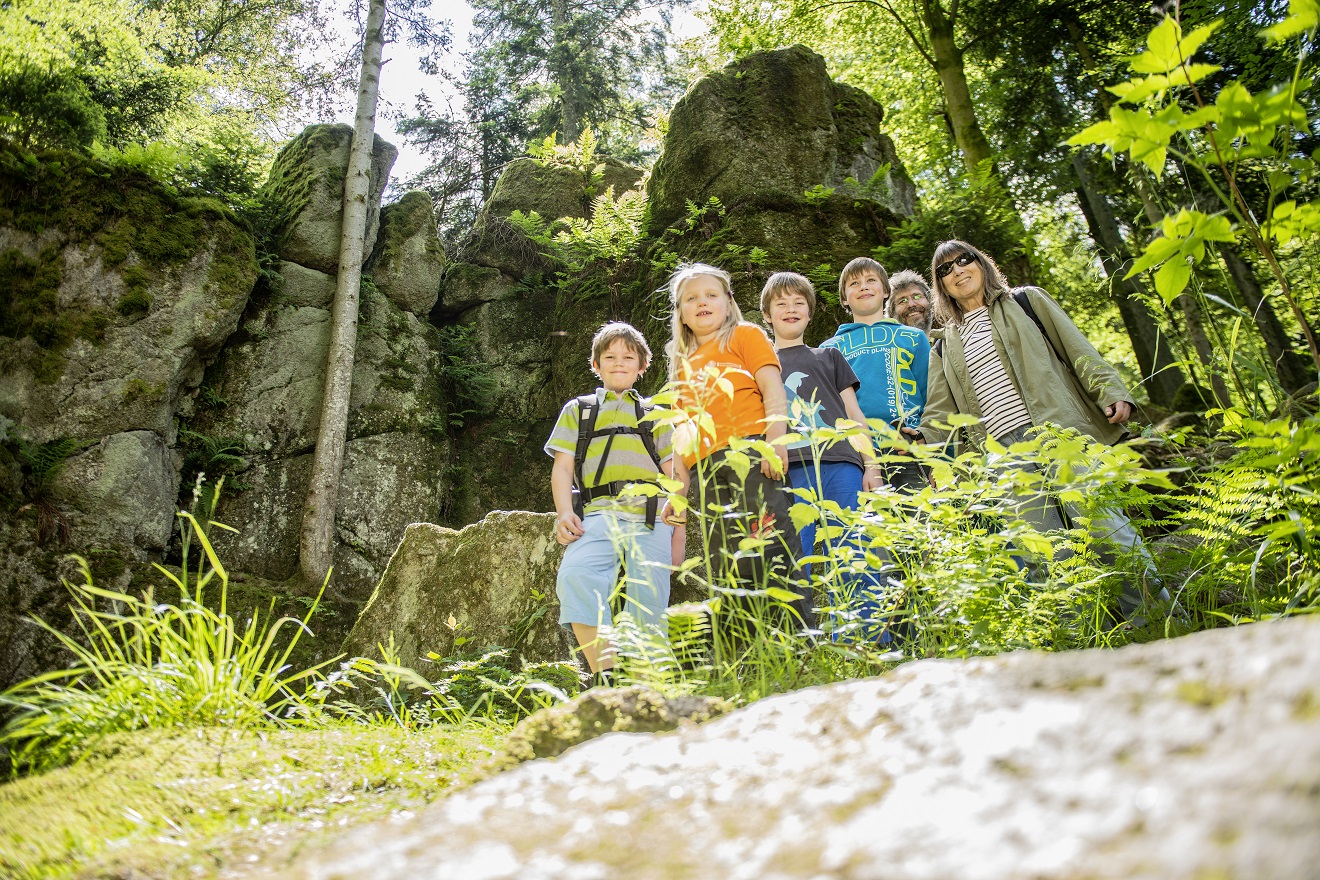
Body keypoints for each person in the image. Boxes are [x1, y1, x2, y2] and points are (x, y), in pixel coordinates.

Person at [917, 239, 1167, 620]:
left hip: (1059, 433)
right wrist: (930, 450)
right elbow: (939, 413)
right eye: (945, 270)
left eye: (964, 260)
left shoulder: (1025, 302)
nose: (957, 271)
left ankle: (1159, 621)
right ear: (941, 286)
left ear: (981, 263)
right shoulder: (943, 345)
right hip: (1003, 457)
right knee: (1047, 553)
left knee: (1105, 529)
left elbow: (1077, 349)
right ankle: (1081, 643)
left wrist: (1111, 390)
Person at [665, 263, 807, 625]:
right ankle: (745, 651)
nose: (702, 303)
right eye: (691, 299)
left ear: (728, 302)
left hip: (751, 451)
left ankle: (801, 638)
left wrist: (775, 442)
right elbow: (681, 434)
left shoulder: (745, 335)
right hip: (706, 470)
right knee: (725, 557)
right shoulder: (680, 364)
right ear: (680, 312)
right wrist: (677, 495)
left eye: (711, 295)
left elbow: (773, 389)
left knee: (771, 541)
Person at [546, 322, 687, 687]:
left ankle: (645, 687)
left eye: (629, 357)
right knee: (576, 575)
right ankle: (606, 677)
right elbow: (562, 469)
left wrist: (679, 534)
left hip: (650, 515)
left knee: (649, 597)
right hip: (597, 513)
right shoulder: (578, 410)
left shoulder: (656, 411)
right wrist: (564, 512)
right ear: (596, 365)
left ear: (643, 365)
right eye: (610, 357)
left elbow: (676, 475)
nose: (619, 363)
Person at [760, 271, 893, 642]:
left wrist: (872, 466)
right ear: (767, 315)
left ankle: (864, 640)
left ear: (810, 312)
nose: (790, 309)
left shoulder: (829, 356)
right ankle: (799, 646)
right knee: (794, 555)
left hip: (841, 464)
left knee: (853, 547)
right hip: (787, 473)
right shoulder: (759, 365)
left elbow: (855, 416)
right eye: (781, 303)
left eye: (798, 302)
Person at [821, 257, 931, 491]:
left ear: (885, 292)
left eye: (871, 280)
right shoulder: (828, 350)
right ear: (844, 298)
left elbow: (931, 395)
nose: (863, 286)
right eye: (854, 283)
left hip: (908, 446)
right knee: (869, 526)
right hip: (856, 454)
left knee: (923, 524)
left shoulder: (913, 337)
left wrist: (938, 453)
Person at [886, 269, 935, 334]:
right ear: (892, 313)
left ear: (930, 301)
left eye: (917, 297)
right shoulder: (883, 343)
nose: (911, 304)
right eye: (903, 301)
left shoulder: (948, 340)